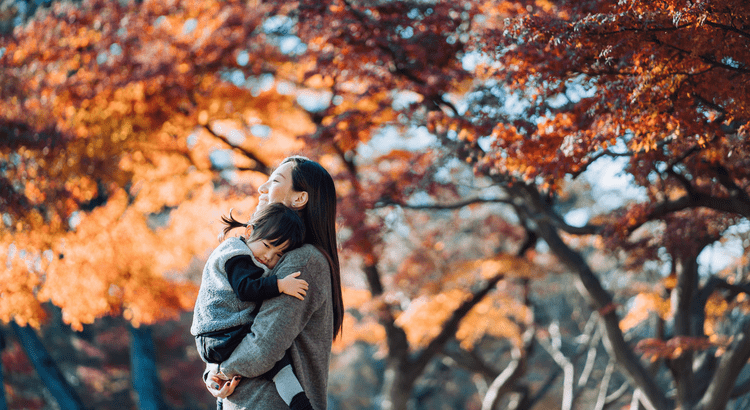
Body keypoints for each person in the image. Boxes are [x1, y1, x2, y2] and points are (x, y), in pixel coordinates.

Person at [203, 156, 344, 410]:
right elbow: (231, 323)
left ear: (299, 198)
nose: (262, 188)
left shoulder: (304, 260)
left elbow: (262, 348)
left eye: (276, 181)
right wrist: (213, 373)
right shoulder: (257, 259)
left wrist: (220, 369)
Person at [192, 202, 315, 410]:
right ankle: (301, 405)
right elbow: (245, 288)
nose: (268, 256)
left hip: (215, 336)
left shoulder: (243, 254)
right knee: (278, 364)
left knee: (268, 368)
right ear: (249, 231)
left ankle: (221, 400)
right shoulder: (236, 255)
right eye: (267, 246)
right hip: (222, 333)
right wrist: (280, 284)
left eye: (278, 255)